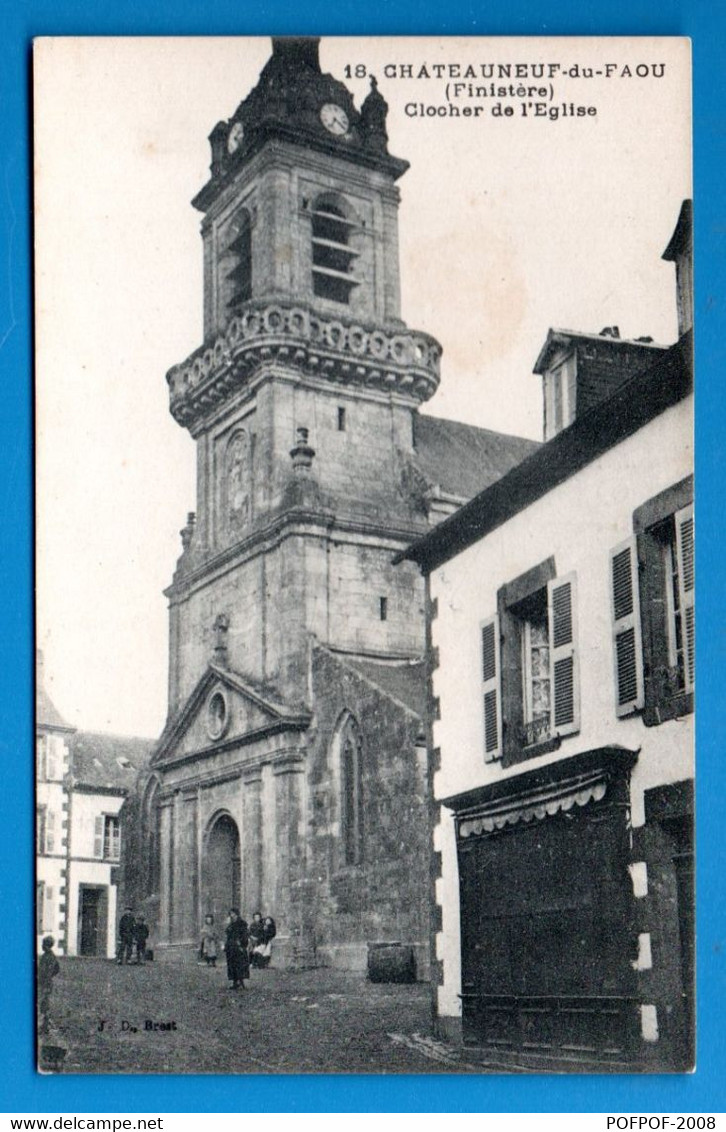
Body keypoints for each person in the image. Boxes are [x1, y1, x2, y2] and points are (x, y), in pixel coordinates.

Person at [38, 936, 60, 1035]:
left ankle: (45, 1026)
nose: (42, 947)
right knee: (43, 1004)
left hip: (46, 984)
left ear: (47, 946)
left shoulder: (50, 957)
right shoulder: (45, 956)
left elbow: (55, 969)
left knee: (44, 1004)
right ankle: (44, 1025)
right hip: (43, 982)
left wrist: (48, 977)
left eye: (44, 945)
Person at [224, 908, 249, 989]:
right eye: (231, 914)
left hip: (238, 946)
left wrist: (242, 944)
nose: (232, 916)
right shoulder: (230, 924)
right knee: (232, 964)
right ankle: (235, 981)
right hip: (231, 946)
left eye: (233, 914)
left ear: (237, 914)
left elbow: (244, 934)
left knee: (239, 964)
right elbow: (228, 933)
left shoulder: (242, 923)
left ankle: (240, 981)